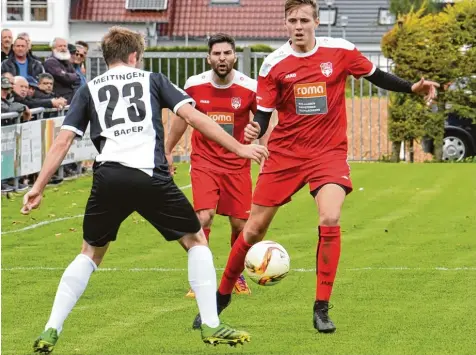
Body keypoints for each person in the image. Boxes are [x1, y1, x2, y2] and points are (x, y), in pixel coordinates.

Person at [192, 0, 439, 333]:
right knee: (252, 230)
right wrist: (255, 130)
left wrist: (411, 87)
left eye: (304, 19)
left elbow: (375, 75)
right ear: (285, 24)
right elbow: (263, 116)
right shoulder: (273, 64)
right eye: (292, 20)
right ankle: (221, 297)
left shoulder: (341, 51)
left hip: (328, 154)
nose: (298, 25)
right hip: (285, 155)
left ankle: (321, 308)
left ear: (316, 22)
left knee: (330, 216)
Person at [21, 26, 269, 354]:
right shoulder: (152, 80)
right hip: (149, 176)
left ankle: (51, 328)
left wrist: (38, 186)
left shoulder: (90, 88)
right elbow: (196, 118)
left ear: (108, 57)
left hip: (108, 178)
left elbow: (64, 140)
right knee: (196, 240)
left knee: (89, 253)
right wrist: (239, 148)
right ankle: (210, 323)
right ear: (135, 56)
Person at [165, 33, 272, 298]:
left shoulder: (249, 87)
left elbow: (262, 121)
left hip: (237, 164)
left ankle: (234, 276)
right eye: (217, 54)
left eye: (227, 53)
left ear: (234, 56)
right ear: (208, 57)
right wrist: (166, 150)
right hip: (204, 162)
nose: (222, 58)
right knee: (203, 217)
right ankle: (200, 278)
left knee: (240, 224)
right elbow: (181, 120)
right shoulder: (194, 85)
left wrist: (264, 148)